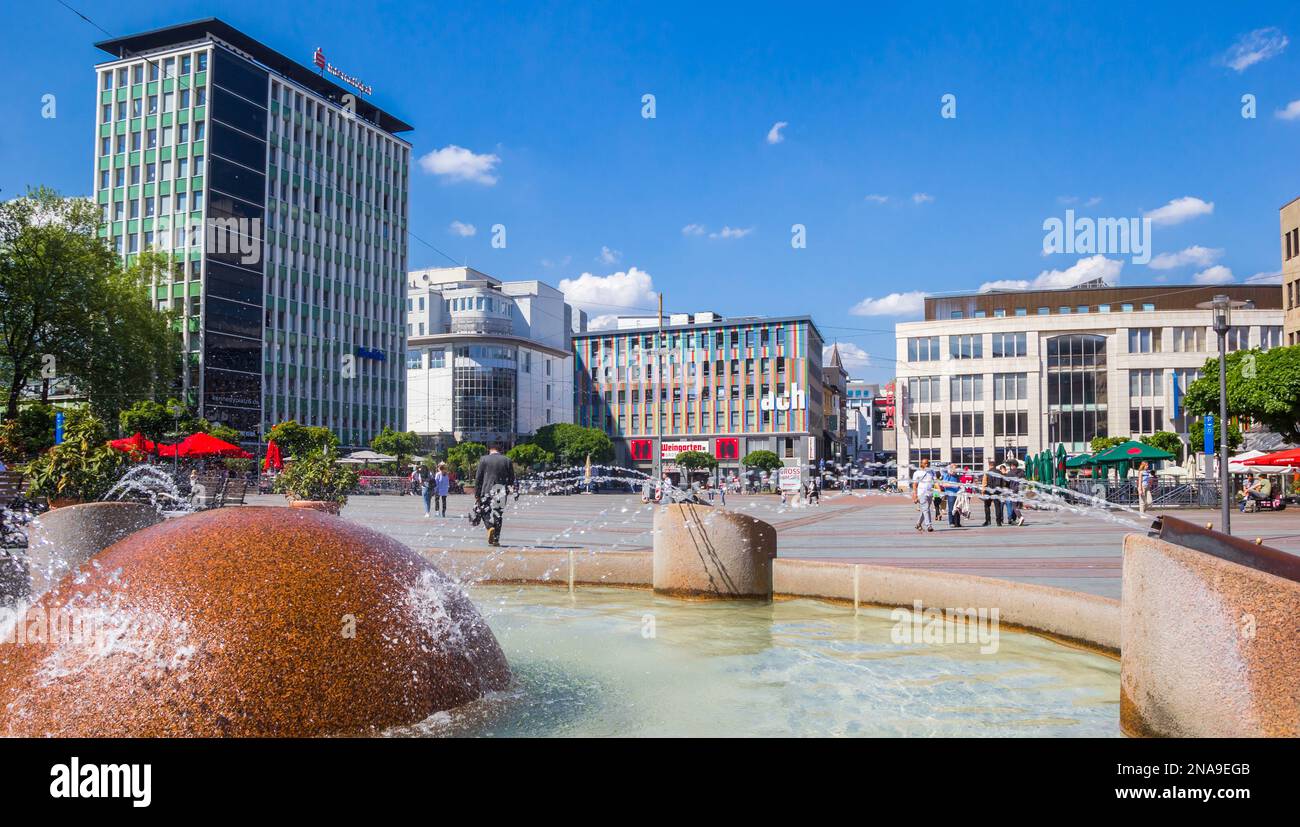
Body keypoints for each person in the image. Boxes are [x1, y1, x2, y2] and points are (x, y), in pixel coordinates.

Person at [473, 444, 515, 546]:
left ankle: (489, 526)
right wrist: (508, 490)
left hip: (486, 489)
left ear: (490, 450)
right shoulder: (507, 460)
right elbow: (511, 478)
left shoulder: (484, 459)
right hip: (500, 489)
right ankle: (496, 539)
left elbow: (478, 477)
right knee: (498, 514)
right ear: (499, 450)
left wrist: (477, 494)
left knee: (483, 511)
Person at [912, 458, 936, 532]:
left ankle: (918, 524)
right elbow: (915, 485)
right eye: (925, 463)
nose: (927, 465)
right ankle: (929, 525)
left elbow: (935, 483)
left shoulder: (932, 471)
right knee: (926, 509)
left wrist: (937, 494)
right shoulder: (917, 473)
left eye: (928, 463)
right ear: (921, 464)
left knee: (925, 510)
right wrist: (915, 495)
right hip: (921, 493)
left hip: (930, 493)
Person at [981, 459, 1003, 527]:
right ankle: (998, 522)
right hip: (997, 491)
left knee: (987, 506)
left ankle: (988, 521)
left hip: (988, 491)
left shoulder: (987, 473)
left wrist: (983, 491)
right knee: (997, 506)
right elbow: (1002, 482)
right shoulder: (999, 472)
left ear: (990, 465)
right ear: (995, 465)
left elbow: (984, 483)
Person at [1003, 459, 1025, 526]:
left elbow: (1006, 483)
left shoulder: (1010, 473)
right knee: (1017, 505)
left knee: (1014, 505)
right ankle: (1013, 519)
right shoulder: (1022, 472)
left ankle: (1020, 517)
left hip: (1013, 491)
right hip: (1020, 491)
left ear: (1012, 465)